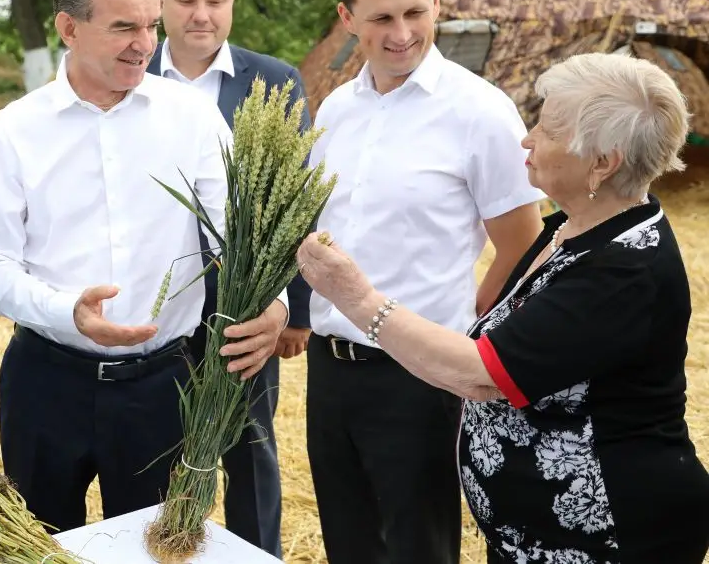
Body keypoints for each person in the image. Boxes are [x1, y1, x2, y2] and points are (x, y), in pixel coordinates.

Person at [297, 51, 709, 563]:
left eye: (549, 129)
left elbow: (483, 374)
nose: (528, 138)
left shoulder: (625, 269)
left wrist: (359, 300)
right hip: (537, 536)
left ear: (602, 163)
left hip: (605, 534)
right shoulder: (571, 227)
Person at [0, 0, 289, 534]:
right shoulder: (12, 130)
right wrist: (68, 312)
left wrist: (275, 302)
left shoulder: (190, 117)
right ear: (68, 28)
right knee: (39, 545)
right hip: (46, 383)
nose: (145, 42)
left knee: (152, 549)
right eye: (122, 27)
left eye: (150, 24)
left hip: (163, 389)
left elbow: (241, 235)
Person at [304, 0, 546, 564]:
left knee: (419, 552)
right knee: (348, 548)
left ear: (438, 0)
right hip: (329, 375)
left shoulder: (482, 112)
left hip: (422, 380)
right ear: (347, 17)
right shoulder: (332, 112)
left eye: (415, 11)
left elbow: (524, 248)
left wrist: (463, 340)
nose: (402, 32)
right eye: (381, 17)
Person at [145, 0, 310, 558]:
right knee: (158, 445)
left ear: (233, 1)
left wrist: (295, 307)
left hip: (247, 310)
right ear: (160, 2)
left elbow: (295, 203)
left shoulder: (274, 81)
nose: (201, 15)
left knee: (251, 448)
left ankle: (255, 554)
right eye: (186, 0)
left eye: (216, 0)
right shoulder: (132, 74)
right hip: (153, 307)